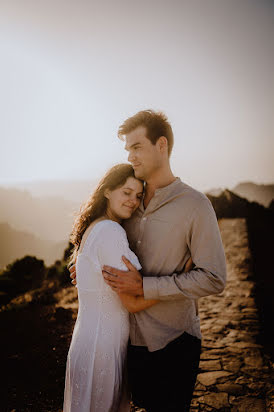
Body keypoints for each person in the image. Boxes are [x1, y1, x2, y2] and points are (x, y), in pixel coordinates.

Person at [70, 110, 226, 412]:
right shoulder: (128, 202)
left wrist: (148, 287)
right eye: (127, 149)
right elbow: (102, 239)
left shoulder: (195, 205)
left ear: (162, 145)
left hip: (174, 341)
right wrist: (85, 266)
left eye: (136, 147)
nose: (130, 156)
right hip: (130, 343)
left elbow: (215, 277)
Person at [63, 164, 161, 412]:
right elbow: (132, 302)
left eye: (138, 196)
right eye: (126, 193)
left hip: (90, 341)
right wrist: (178, 286)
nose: (133, 201)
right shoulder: (110, 231)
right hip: (101, 347)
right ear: (107, 191)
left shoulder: (95, 227)